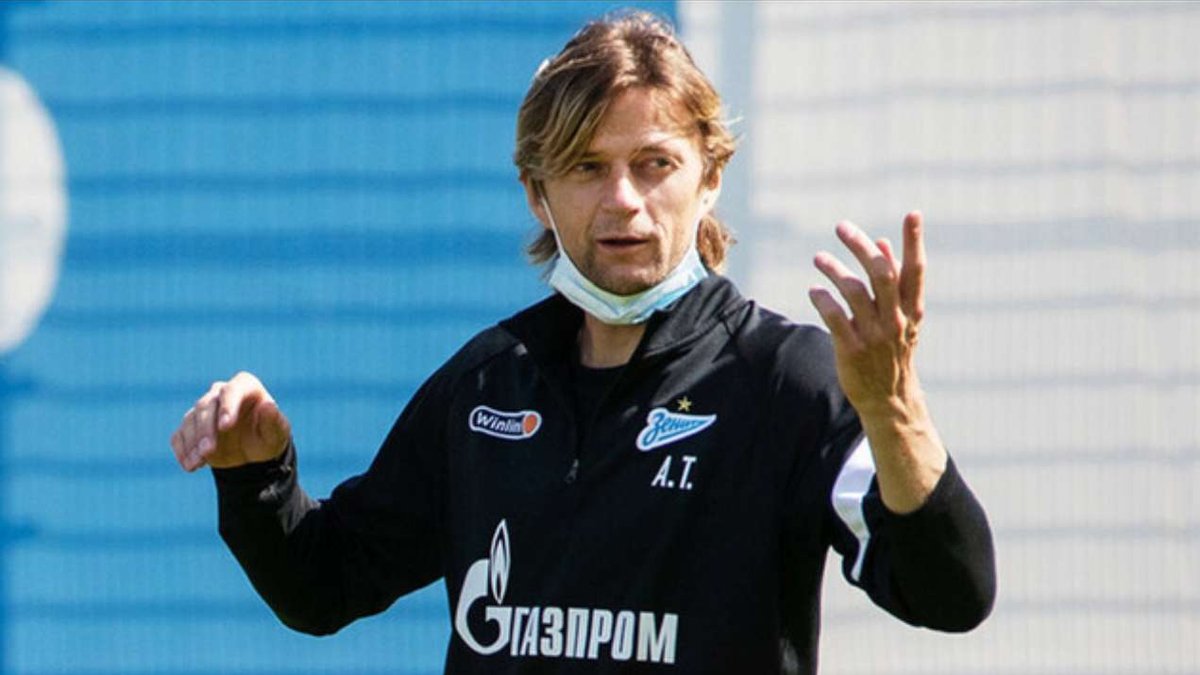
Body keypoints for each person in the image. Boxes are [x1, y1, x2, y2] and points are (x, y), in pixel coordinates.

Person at [170, 10, 994, 674]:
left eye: (654, 164)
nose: (623, 199)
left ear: (710, 177)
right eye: (587, 167)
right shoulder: (489, 383)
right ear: (538, 193)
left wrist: (895, 411)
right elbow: (323, 584)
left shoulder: (786, 379)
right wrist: (257, 474)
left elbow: (952, 592)